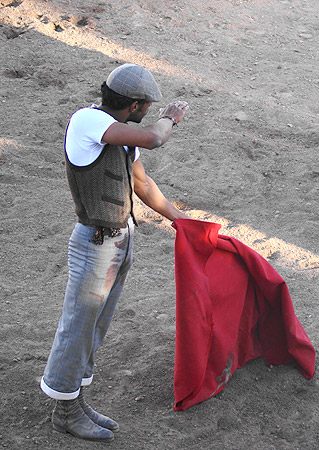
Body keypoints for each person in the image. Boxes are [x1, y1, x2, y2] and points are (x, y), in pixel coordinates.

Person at [40, 63, 190, 442]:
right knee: (78, 325)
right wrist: (170, 118)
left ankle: (76, 398)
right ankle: (65, 411)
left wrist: (179, 219)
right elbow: (155, 138)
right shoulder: (88, 121)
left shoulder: (118, 134)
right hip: (95, 244)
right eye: (146, 108)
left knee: (96, 324)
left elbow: (141, 183)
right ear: (137, 106)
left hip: (119, 239)